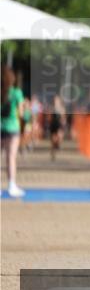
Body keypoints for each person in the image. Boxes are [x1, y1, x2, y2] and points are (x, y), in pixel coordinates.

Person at [1, 66, 26, 197]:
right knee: (11, 157)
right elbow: (21, 113)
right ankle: (11, 185)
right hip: (12, 128)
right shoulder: (17, 93)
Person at [49, 95, 66, 162]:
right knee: (53, 141)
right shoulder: (51, 108)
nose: (55, 101)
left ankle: (58, 144)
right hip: (53, 125)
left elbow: (63, 117)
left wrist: (63, 122)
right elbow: (49, 117)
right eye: (54, 100)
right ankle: (53, 152)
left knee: (59, 136)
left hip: (59, 125)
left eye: (57, 100)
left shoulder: (62, 108)